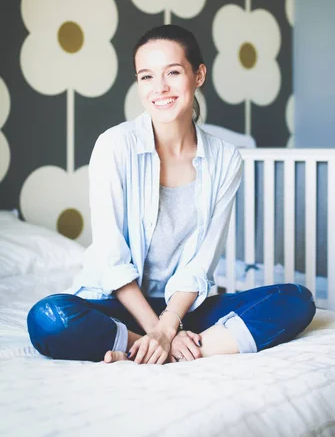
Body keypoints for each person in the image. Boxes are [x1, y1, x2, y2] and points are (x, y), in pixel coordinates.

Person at [27, 24, 315, 365]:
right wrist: (158, 331)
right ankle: (155, 346)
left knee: (296, 299)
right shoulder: (115, 146)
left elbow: (200, 263)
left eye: (173, 72)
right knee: (48, 317)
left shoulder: (225, 159)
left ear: (198, 75)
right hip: (119, 304)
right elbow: (111, 260)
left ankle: (163, 352)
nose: (159, 88)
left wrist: (170, 324)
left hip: (182, 308)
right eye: (146, 77)